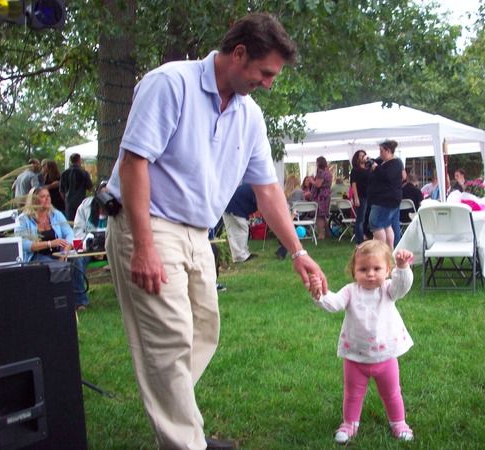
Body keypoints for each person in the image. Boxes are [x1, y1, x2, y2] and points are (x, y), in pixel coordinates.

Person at [104, 13, 327, 450]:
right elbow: (134, 163)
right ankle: (188, 442)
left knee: (204, 330)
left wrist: (299, 252)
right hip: (148, 223)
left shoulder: (250, 116)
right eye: (265, 73)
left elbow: (267, 191)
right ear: (239, 53)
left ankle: (180, 421)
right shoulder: (171, 83)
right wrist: (143, 246)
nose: (269, 84)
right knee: (169, 339)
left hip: (198, 232)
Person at [310, 241, 415, 444]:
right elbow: (334, 304)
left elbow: (401, 287)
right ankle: (349, 424)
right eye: (363, 269)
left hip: (386, 357)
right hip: (355, 358)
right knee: (352, 394)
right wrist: (320, 294)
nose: (370, 274)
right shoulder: (351, 291)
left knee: (392, 393)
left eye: (377, 268)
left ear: (387, 270)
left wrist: (402, 268)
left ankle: (399, 423)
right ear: (354, 271)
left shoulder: (388, 289)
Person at [14, 186, 88, 308]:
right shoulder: (23, 219)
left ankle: (79, 300)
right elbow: (24, 244)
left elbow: (69, 233)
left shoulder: (56, 214)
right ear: (34, 200)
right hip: (37, 256)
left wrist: (65, 251)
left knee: (76, 260)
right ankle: (57, 300)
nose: (47, 199)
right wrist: (50, 243)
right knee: (52, 265)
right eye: (43, 197)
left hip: (59, 252)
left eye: (48, 196)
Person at [72, 180, 110, 309]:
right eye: (102, 194)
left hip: (111, 249)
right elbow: (78, 231)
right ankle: (80, 301)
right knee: (76, 261)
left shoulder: (118, 208)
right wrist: (92, 247)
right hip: (89, 249)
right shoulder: (85, 207)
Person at [367, 140, 405, 249]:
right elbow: (375, 164)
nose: (380, 153)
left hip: (385, 200)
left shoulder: (395, 163)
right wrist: (370, 161)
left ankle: (381, 249)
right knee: (386, 225)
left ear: (388, 151)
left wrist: (376, 168)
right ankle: (389, 251)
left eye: (381, 151)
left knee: (376, 224)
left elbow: (388, 176)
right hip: (384, 199)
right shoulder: (383, 162)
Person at [222, 184, 259, 263]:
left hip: (232, 206)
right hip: (233, 208)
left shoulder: (255, 186)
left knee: (241, 231)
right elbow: (260, 206)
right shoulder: (257, 189)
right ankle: (240, 257)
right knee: (239, 231)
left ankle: (244, 253)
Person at [60, 153, 94, 221]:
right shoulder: (84, 173)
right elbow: (90, 188)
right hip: (80, 200)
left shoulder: (64, 173)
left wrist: (66, 200)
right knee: (81, 220)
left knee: (70, 222)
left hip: (69, 201)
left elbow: (61, 190)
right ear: (79, 160)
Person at [349, 149, 370, 244]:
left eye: (364, 155)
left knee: (367, 217)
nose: (363, 157)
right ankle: (359, 239)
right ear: (357, 158)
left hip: (369, 196)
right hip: (361, 196)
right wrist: (356, 197)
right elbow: (353, 184)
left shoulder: (368, 168)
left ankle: (366, 235)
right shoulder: (355, 170)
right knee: (360, 219)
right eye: (361, 155)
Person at [311, 156, 332, 240]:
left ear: (319, 163)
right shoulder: (328, 172)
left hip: (321, 196)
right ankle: (328, 232)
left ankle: (321, 234)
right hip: (327, 195)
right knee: (323, 215)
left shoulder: (320, 172)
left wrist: (311, 180)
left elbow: (318, 184)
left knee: (319, 215)